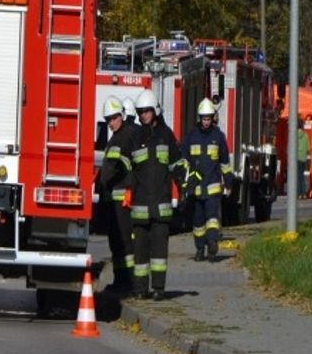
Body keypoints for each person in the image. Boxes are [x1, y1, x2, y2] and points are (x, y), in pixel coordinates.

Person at [129, 89, 184, 300]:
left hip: (161, 205)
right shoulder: (136, 137)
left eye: (147, 111)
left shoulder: (166, 135)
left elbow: (177, 163)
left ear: (155, 111)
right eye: (140, 112)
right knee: (140, 253)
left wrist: (184, 188)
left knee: (160, 252)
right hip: (141, 205)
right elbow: (129, 170)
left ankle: (159, 289)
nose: (143, 115)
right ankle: (140, 289)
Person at [97, 96, 139, 294]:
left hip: (122, 199)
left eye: (113, 118)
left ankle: (126, 282)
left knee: (123, 242)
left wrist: (103, 182)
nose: (111, 123)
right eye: (108, 120)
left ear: (121, 116)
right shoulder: (121, 135)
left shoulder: (123, 137)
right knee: (118, 241)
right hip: (117, 198)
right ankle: (122, 280)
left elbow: (114, 169)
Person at [182, 98, 233, 261]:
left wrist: (229, 182)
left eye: (208, 119)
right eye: (204, 119)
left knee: (212, 218)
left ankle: (212, 243)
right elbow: (184, 160)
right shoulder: (191, 136)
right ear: (199, 118)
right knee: (197, 223)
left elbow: (224, 162)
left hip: (212, 187)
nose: (206, 122)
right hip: (196, 189)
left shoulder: (218, 136)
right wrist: (184, 182)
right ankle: (199, 250)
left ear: (213, 118)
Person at [296, 117, 311, 198]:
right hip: (303, 158)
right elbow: (308, 148)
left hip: (296, 157)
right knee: (301, 176)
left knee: (297, 176)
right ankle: (303, 193)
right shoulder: (305, 135)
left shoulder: (294, 135)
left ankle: (298, 193)